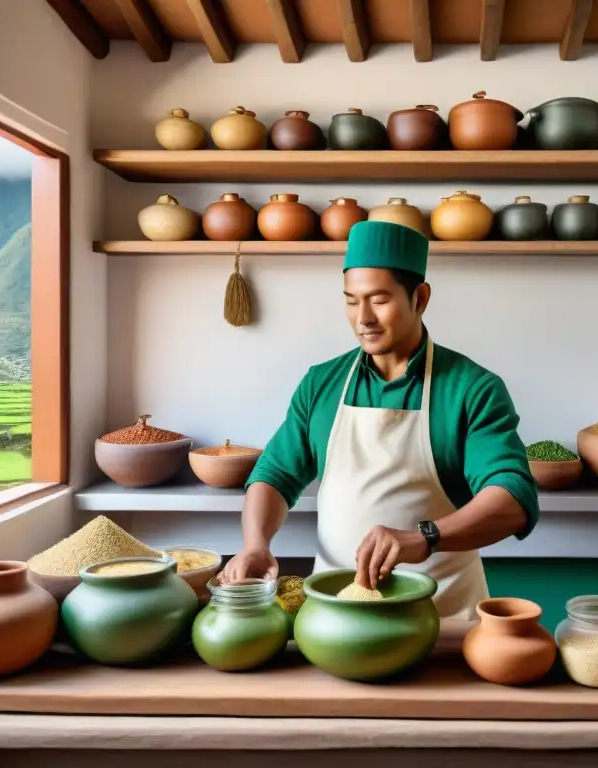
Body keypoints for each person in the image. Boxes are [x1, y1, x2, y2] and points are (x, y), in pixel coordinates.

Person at [221, 220, 539, 620]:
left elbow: (513, 497)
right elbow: (275, 475)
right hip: (337, 618)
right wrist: (255, 543)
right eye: (351, 300)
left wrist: (425, 537)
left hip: (443, 622)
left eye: (379, 299)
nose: (363, 318)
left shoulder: (472, 389)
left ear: (420, 298)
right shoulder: (322, 383)